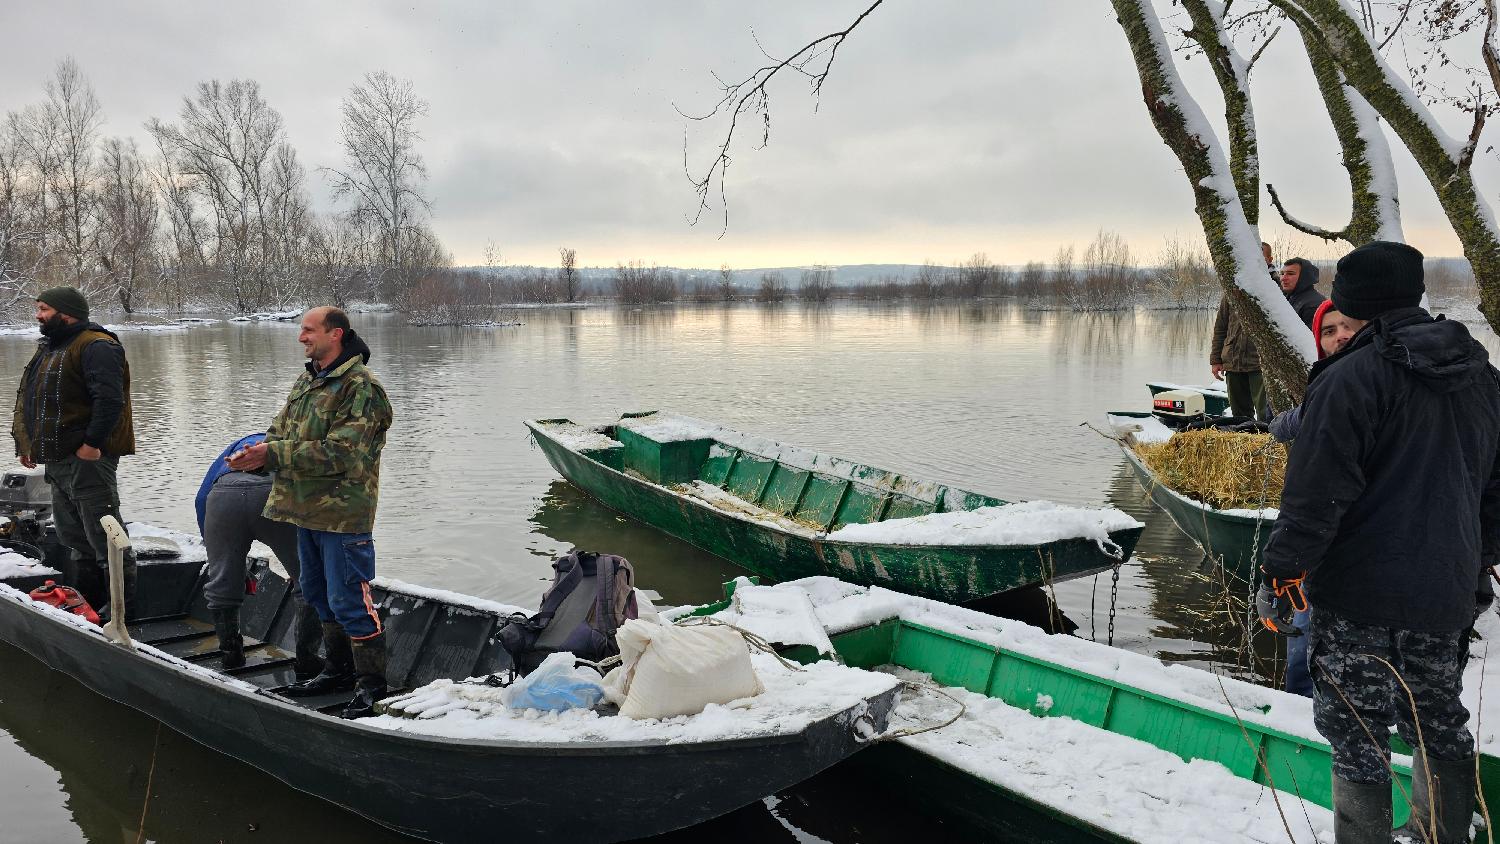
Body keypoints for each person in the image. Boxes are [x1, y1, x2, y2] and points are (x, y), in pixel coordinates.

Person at [1260, 241, 1500, 843]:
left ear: (1353, 301)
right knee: (1437, 720)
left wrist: (1282, 572)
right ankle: (1442, 835)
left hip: (1359, 595)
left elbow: (1316, 494)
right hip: (1446, 589)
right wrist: (1477, 560)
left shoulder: (1351, 377)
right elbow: (1496, 493)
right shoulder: (1484, 378)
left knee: (1357, 733)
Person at [227, 307, 393, 719]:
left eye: (308, 330)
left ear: (335, 334)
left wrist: (274, 453)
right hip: (304, 511)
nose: (301, 337)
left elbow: (343, 452)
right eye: (301, 330)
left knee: (349, 599)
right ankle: (337, 671)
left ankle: (372, 687)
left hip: (342, 515)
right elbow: (280, 432)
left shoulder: (361, 388)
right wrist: (256, 456)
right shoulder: (309, 379)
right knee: (318, 595)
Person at [11, 286, 136, 620]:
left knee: (106, 538)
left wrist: (92, 444)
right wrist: (27, 445)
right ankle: (91, 604)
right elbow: (32, 398)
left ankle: (123, 611)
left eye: (43, 309)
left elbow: (110, 401)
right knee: (73, 537)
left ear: (65, 312)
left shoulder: (98, 346)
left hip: (88, 460)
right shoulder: (51, 347)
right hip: (59, 461)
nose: (37, 315)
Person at [1267, 298, 1355, 699]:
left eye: (1348, 325)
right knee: (1304, 651)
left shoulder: (1359, 387)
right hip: (1321, 549)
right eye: (1329, 330)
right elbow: (1294, 422)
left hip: (1354, 553)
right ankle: (1300, 715)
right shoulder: (1327, 384)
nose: (1341, 336)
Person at [197, 433, 322, 676]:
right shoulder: (298, 446)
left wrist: (220, 559)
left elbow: (201, 498)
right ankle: (307, 662)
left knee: (222, 584)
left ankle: (231, 656)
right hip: (274, 494)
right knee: (309, 583)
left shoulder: (235, 448)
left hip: (222, 497)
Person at [1210, 243, 1276, 420]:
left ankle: (1269, 446)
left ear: (1269, 260)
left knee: (1266, 415)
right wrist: (1216, 359)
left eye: (1260, 257)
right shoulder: (1234, 286)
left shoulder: (1276, 287)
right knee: (1239, 416)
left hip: (1260, 364)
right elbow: (1221, 326)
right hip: (1233, 361)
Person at [1280, 257, 1327, 327]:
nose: (1283, 278)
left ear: (1304, 277)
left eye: (1290, 274)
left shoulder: (1313, 306)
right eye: (1282, 273)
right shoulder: (1289, 297)